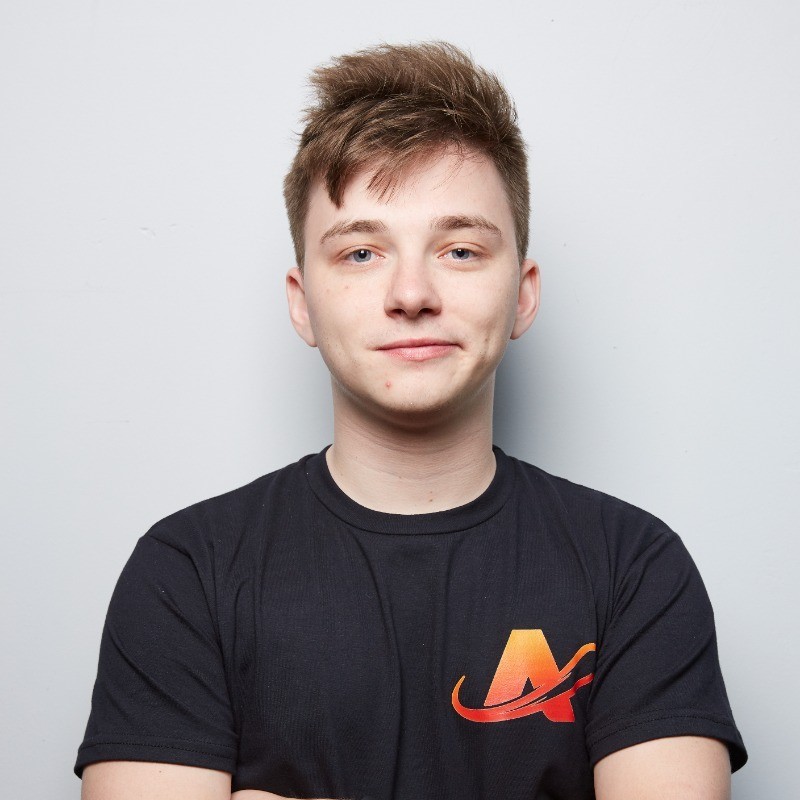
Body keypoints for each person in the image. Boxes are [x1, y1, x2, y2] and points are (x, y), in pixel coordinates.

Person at [75, 42, 746, 799]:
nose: (412, 292)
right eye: (361, 253)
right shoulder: (187, 573)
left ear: (522, 294)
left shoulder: (634, 570)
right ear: (303, 302)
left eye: (460, 249)